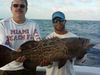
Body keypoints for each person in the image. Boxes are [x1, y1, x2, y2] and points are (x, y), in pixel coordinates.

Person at [0, 0, 41, 75]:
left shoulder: (34, 24)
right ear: (11, 8)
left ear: (26, 9)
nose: (19, 8)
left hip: (28, 67)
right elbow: (3, 44)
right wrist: (17, 54)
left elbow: (38, 44)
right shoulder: (2, 24)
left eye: (22, 6)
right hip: (7, 68)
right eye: (15, 5)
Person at [46, 11, 86, 75]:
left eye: (60, 20)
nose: (58, 22)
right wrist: (46, 63)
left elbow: (81, 61)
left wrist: (81, 54)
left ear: (65, 21)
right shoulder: (48, 38)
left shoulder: (75, 38)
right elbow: (48, 65)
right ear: (52, 23)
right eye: (55, 20)